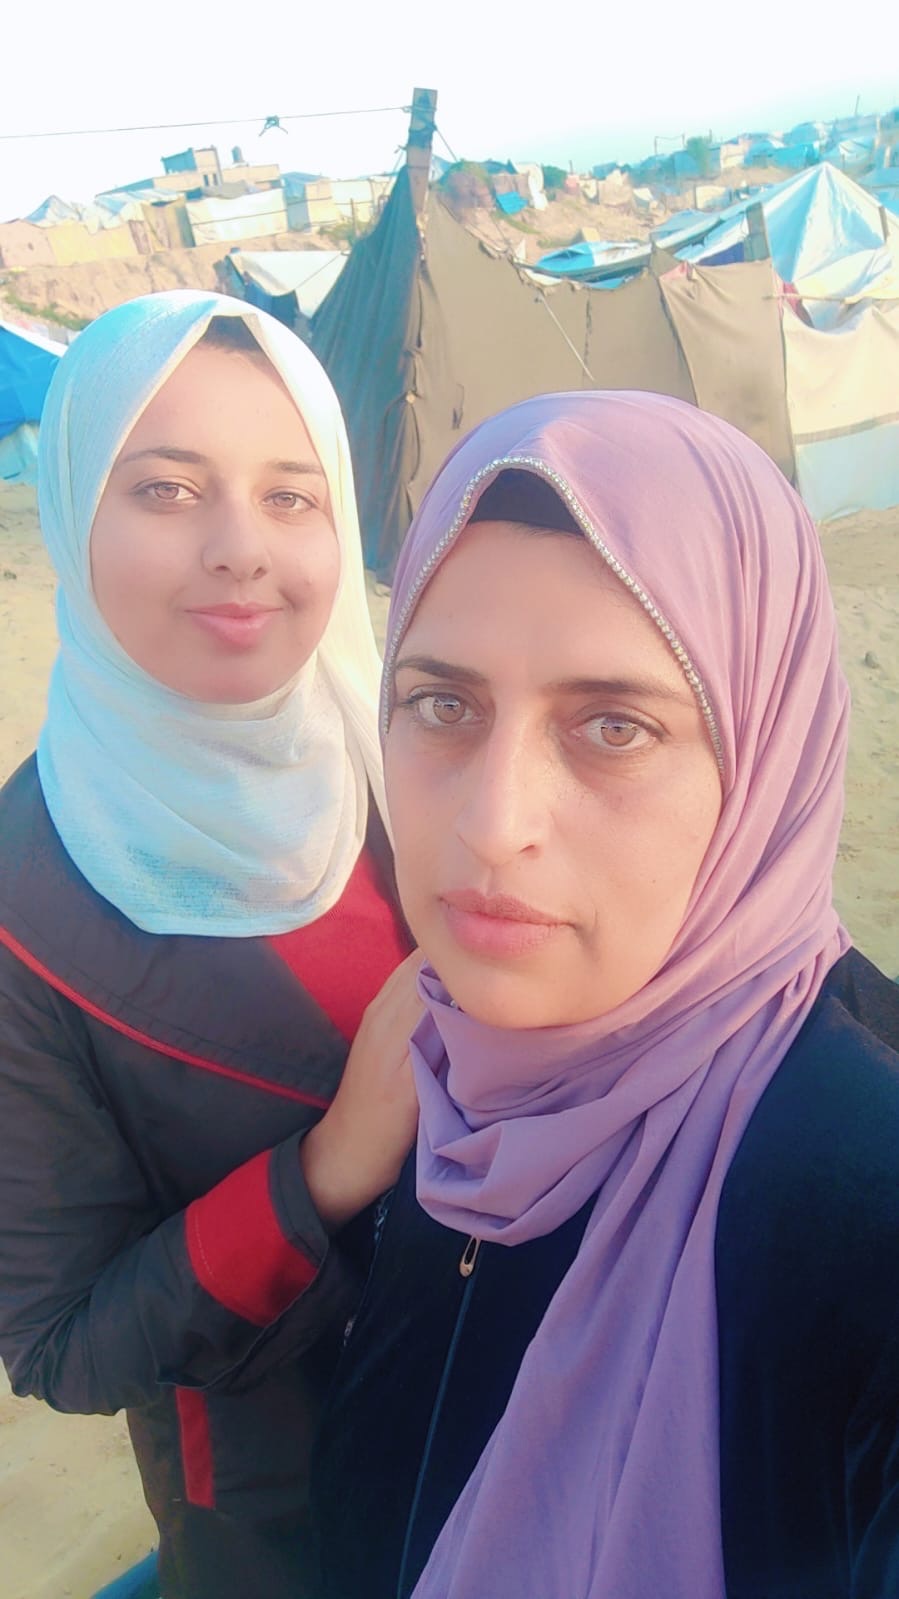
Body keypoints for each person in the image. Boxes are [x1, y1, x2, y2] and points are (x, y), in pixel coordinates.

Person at [313, 392, 899, 1599]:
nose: (493, 825)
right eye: (442, 705)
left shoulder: (861, 1200)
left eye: (613, 727)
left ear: (764, 757)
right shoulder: (441, 1064)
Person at [0, 290, 420, 1599]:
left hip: (528, 1394)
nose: (242, 548)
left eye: (291, 495)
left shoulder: (414, 752)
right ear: (73, 505)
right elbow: (62, 1342)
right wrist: (331, 1165)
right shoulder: (28, 903)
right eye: (167, 490)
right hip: (286, 1509)